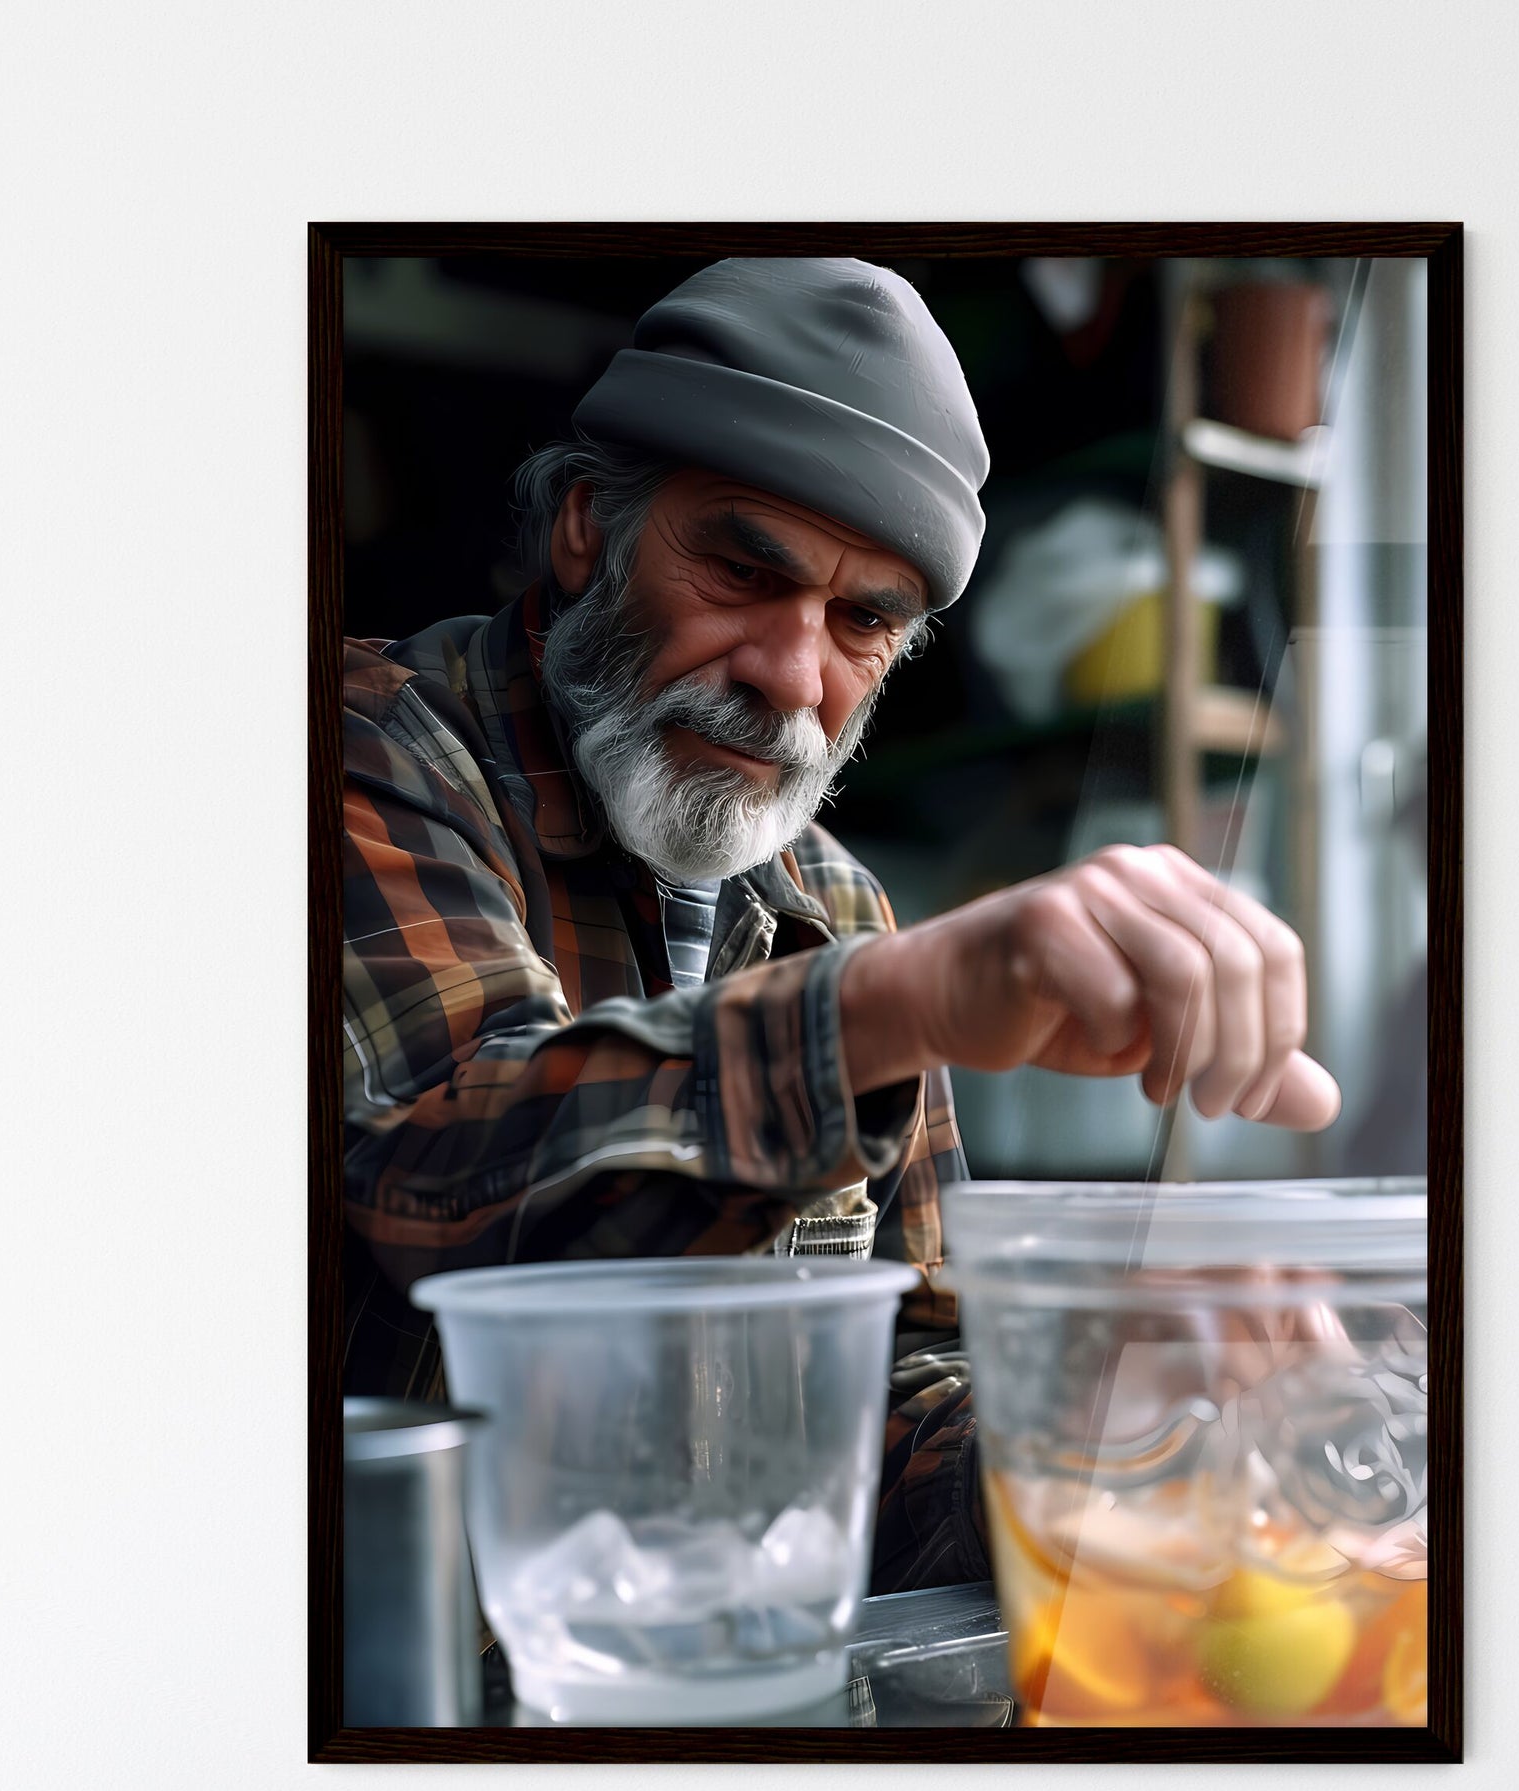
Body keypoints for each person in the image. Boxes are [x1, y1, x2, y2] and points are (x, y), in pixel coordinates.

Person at [341, 257, 1340, 1593]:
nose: (792, 676)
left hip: (714, 1662)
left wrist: (1108, 1417)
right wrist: (893, 1005)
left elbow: (885, 1400)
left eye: (864, 619)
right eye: (741, 569)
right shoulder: (368, 751)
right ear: (586, 527)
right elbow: (449, 1179)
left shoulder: (839, 907)